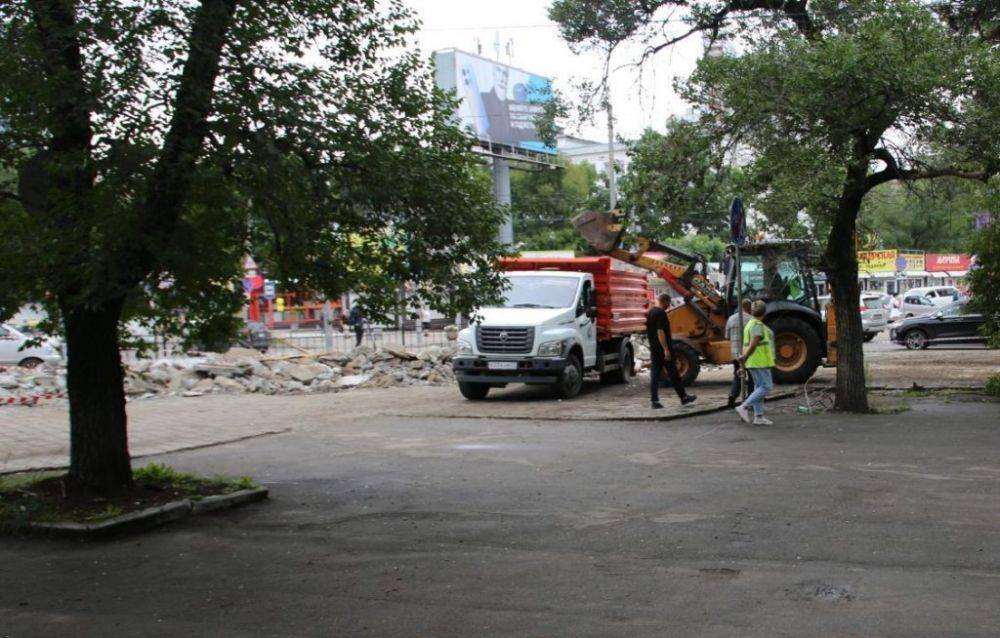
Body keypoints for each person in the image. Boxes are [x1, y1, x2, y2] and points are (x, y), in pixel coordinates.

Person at [646, 293, 697, 409]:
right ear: (664, 301)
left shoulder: (651, 313)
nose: (669, 306)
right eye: (668, 303)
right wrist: (666, 350)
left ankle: (654, 401)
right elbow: (660, 332)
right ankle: (683, 398)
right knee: (674, 374)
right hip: (662, 350)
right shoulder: (660, 313)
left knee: (655, 375)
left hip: (654, 349)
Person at [735, 300, 775, 426]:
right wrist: (745, 357)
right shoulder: (757, 325)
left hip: (754, 361)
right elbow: (753, 344)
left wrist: (743, 363)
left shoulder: (750, 324)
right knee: (766, 387)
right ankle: (744, 406)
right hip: (759, 361)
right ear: (765, 311)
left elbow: (746, 345)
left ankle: (758, 416)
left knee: (759, 388)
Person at [726, 299, 754, 408]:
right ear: (749, 307)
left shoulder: (731, 319)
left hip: (736, 353)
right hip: (748, 353)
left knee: (737, 375)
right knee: (751, 376)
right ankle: (750, 399)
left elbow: (727, 336)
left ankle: (732, 395)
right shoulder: (752, 320)